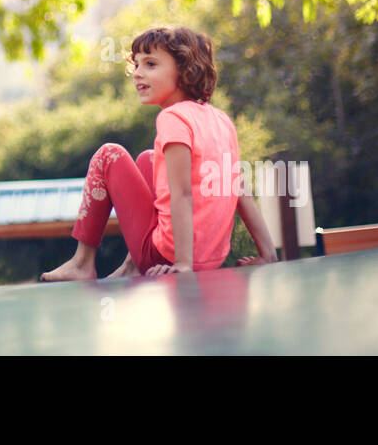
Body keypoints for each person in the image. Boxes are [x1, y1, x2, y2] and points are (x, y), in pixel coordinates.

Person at [40, 25, 277, 281]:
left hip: (168, 257)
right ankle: (131, 265)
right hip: (209, 260)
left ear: (185, 70)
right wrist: (268, 254)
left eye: (151, 64)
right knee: (148, 159)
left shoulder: (173, 117)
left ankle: (82, 263)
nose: (137, 73)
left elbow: (182, 194)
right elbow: (240, 191)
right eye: (136, 65)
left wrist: (183, 264)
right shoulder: (222, 121)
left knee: (109, 154)